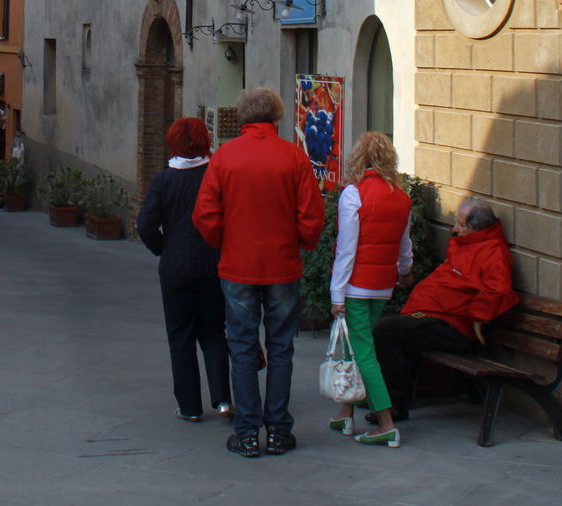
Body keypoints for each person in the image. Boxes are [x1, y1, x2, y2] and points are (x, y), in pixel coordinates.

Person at [192, 87, 325, 459]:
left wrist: (226, 241)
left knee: (242, 346)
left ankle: (248, 431)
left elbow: (205, 215)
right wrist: (299, 242)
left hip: (238, 266)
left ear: (243, 116)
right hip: (282, 266)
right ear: (276, 116)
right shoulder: (293, 157)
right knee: (282, 347)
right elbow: (312, 216)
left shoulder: (225, 157)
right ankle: (279, 429)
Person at [370, 197, 518, 421]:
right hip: (434, 315)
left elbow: (499, 290)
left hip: (453, 326)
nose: (455, 229)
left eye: (460, 224)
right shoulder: (469, 244)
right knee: (377, 322)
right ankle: (379, 396)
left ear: (475, 228)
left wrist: (479, 316)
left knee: (385, 331)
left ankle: (393, 405)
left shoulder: (494, 252)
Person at [136, 117, 231, 424]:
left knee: (181, 336)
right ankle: (222, 399)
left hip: (176, 268)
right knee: (214, 332)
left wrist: (163, 248)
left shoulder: (164, 180)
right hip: (213, 265)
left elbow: (145, 225)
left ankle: (189, 406)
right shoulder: (215, 176)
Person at [325, 132, 413, 447]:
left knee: (363, 352)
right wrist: (404, 271)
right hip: (382, 285)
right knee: (355, 347)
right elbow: (404, 244)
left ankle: (386, 422)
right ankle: (345, 413)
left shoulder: (354, 194)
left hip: (356, 285)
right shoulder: (402, 197)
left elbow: (346, 250)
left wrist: (337, 295)